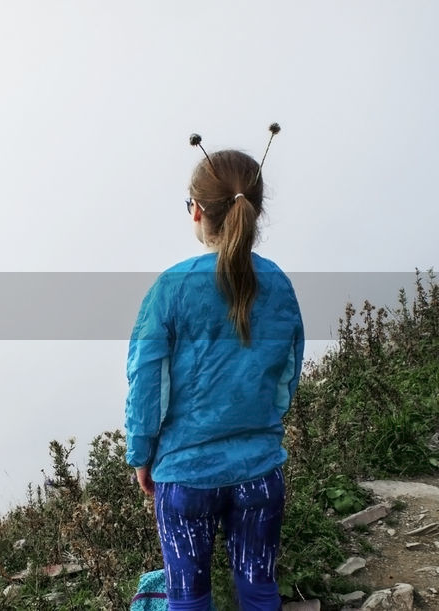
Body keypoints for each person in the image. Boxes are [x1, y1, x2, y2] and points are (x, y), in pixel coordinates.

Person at [124, 126, 305, 611]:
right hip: (260, 471)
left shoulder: (171, 287)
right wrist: (260, 429)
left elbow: (146, 381)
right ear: (255, 210)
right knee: (259, 588)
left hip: (185, 477)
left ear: (198, 212)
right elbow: (287, 375)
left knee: (187, 596)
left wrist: (142, 454)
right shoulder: (280, 285)